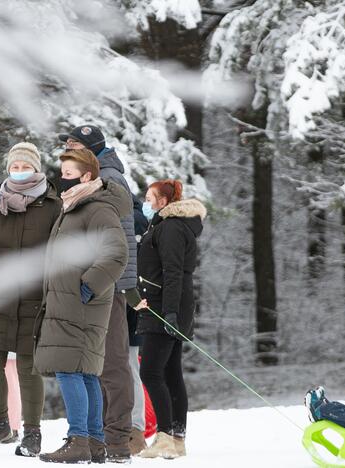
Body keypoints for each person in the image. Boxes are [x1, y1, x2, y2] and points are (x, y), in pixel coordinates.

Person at [0, 142, 62, 456]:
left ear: (36, 168)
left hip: (34, 297)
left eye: (25, 167)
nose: (19, 172)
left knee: (28, 367)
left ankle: (32, 432)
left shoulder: (52, 203)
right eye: (14, 167)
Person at [34, 149, 130, 464]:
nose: (62, 179)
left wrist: (86, 287)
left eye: (69, 173)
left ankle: (78, 439)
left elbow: (116, 254)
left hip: (80, 301)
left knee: (69, 368)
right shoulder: (74, 207)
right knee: (85, 371)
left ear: (87, 176)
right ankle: (94, 442)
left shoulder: (97, 209)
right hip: (67, 299)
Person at [60, 125, 136, 461]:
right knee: (96, 362)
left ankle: (119, 439)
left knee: (112, 363)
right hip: (97, 283)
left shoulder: (107, 180)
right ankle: (98, 437)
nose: (67, 150)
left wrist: (95, 282)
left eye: (73, 145)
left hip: (107, 285)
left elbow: (113, 243)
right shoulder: (94, 177)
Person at [133, 180, 206, 459]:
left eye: (151, 199)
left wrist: (171, 312)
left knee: (151, 372)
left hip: (164, 307)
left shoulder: (172, 227)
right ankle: (176, 439)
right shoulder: (166, 225)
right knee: (170, 372)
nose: (147, 203)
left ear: (164, 201)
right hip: (165, 304)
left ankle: (165, 436)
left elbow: (173, 271)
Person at [127, 196, 149, 455]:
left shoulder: (134, 221)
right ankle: (134, 426)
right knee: (129, 368)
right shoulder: (138, 218)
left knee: (129, 368)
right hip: (133, 308)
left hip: (131, 307)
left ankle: (135, 426)